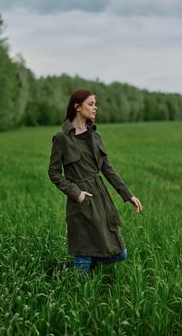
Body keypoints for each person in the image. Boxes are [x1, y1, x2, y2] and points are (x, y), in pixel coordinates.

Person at [48, 88, 142, 274]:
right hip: (81, 201)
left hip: (100, 198)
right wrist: (77, 193)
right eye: (91, 104)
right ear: (77, 106)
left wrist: (128, 194)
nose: (95, 108)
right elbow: (54, 173)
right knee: (84, 251)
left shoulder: (95, 136)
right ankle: (72, 284)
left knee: (119, 252)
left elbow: (107, 168)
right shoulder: (61, 139)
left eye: (95, 104)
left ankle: (64, 269)